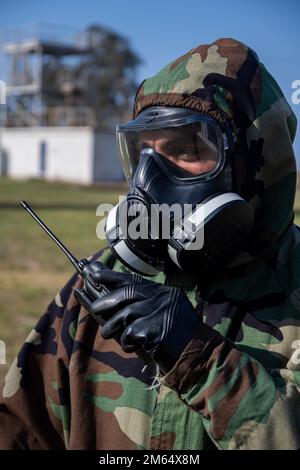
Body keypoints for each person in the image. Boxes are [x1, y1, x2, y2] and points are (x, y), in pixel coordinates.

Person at [0, 37, 299, 450]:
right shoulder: (100, 288)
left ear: (255, 164)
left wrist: (198, 358)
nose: (149, 179)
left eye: (185, 149)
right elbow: (22, 429)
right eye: (142, 152)